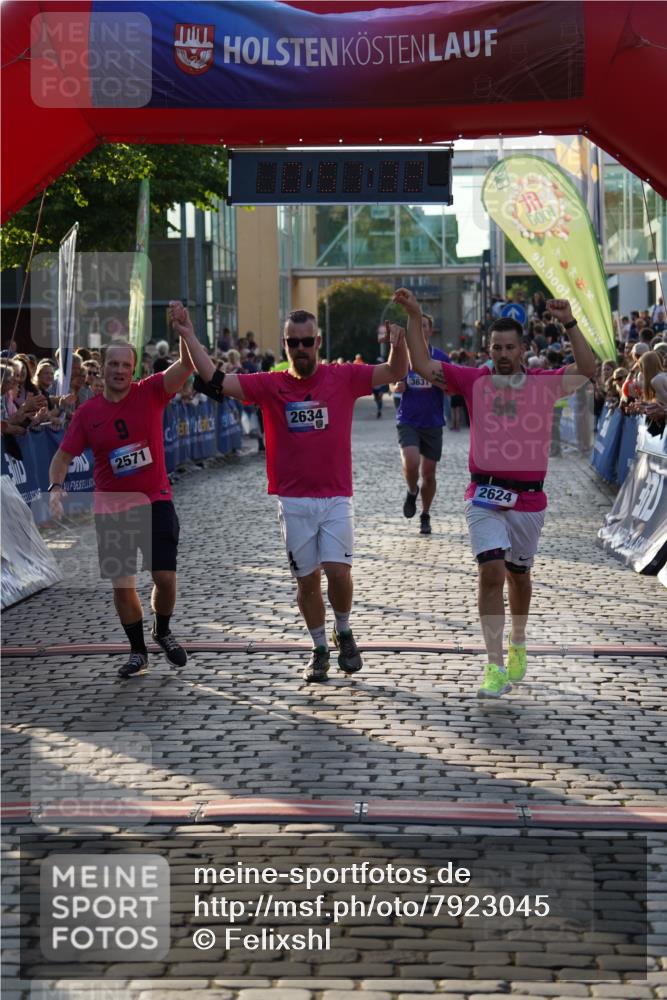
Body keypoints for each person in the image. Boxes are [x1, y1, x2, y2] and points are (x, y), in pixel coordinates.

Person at [171, 301, 411, 683]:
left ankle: (344, 630)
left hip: (336, 496)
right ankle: (318, 649)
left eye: (306, 342)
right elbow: (214, 377)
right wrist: (187, 333)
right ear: (285, 346)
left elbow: (397, 370)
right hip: (293, 500)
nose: (300, 349)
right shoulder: (270, 384)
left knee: (338, 572)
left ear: (318, 342)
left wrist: (399, 342)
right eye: (292, 343)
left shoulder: (343, 377)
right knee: (307, 582)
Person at [395, 287, 596, 699]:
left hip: (529, 500)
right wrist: (416, 316)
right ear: (488, 350)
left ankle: (517, 641)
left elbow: (588, 368)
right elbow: (420, 363)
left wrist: (570, 322)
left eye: (509, 347)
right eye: (496, 347)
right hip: (484, 494)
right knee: (490, 573)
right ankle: (494, 665)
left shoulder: (543, 384)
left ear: (523, 350)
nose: (502, 353)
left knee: (519, 578)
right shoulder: (472, 380)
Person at [48, 339, 194, 679]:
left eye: (125, 365)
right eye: (113, 364)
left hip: (155, 499)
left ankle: (163, 629)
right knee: (123, 586)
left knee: (165, 578)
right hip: (112, 507)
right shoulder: (88, 413)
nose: (119, 371)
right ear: (103, 366)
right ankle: (138, 652)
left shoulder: (152, 391)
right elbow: (62, 457)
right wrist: (57, 486)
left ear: (134, 368)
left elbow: (188, 365)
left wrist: (184, 330)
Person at [392, 311, 450, 535]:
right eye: (417, 326)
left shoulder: (441, 358)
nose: (421, 329)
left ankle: (425, 514)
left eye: (424, 325)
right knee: (411, 461)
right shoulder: (404, 358)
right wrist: (396, 387)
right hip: (408, 419)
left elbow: (451, 384)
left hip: (433, 422)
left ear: (430, 330)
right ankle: (410, 490)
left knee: (429, 473)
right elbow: (392, 382)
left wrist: (443, 383)